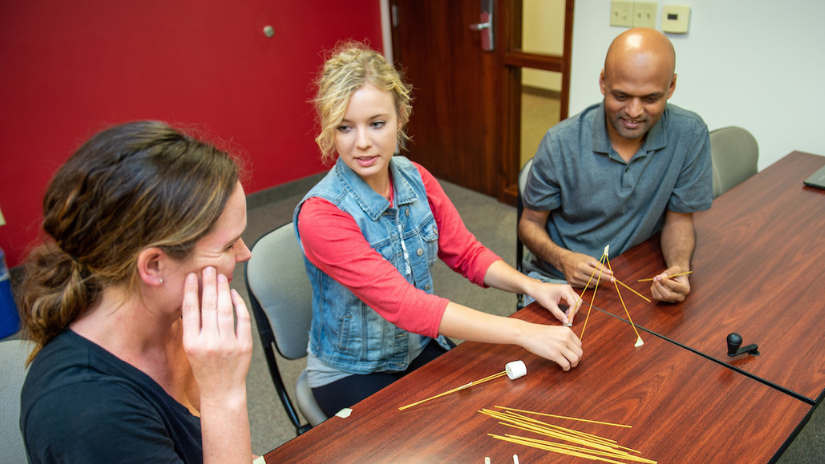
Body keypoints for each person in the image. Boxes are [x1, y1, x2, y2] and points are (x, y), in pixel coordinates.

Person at [294, 42, 583, 417]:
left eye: (377, 124)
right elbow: (404, 304)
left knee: (488, 417)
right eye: (345, 128)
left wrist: (533, 286)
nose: (362, 142)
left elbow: (466, 253)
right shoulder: (320, 215)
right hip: (351, 371)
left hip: (416, 345)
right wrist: (523, 332)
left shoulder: (416, 178)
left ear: (401, 117)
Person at [18, 121, 255, 463]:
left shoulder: (177, 321)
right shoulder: (87, 415)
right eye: (229, 244)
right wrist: (225, 395)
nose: (245, 254)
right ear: (154, 266)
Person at [519, 27, 712, 303]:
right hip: (558, 280)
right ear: (602, 82)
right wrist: (564, 260)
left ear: (671, 87)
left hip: (634, 275)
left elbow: (679, 219)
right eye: (621, 96)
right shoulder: (561, 142)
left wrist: (679, 269)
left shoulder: (690, 134)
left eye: (650, 99)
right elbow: (529, 223)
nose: (633, 112)